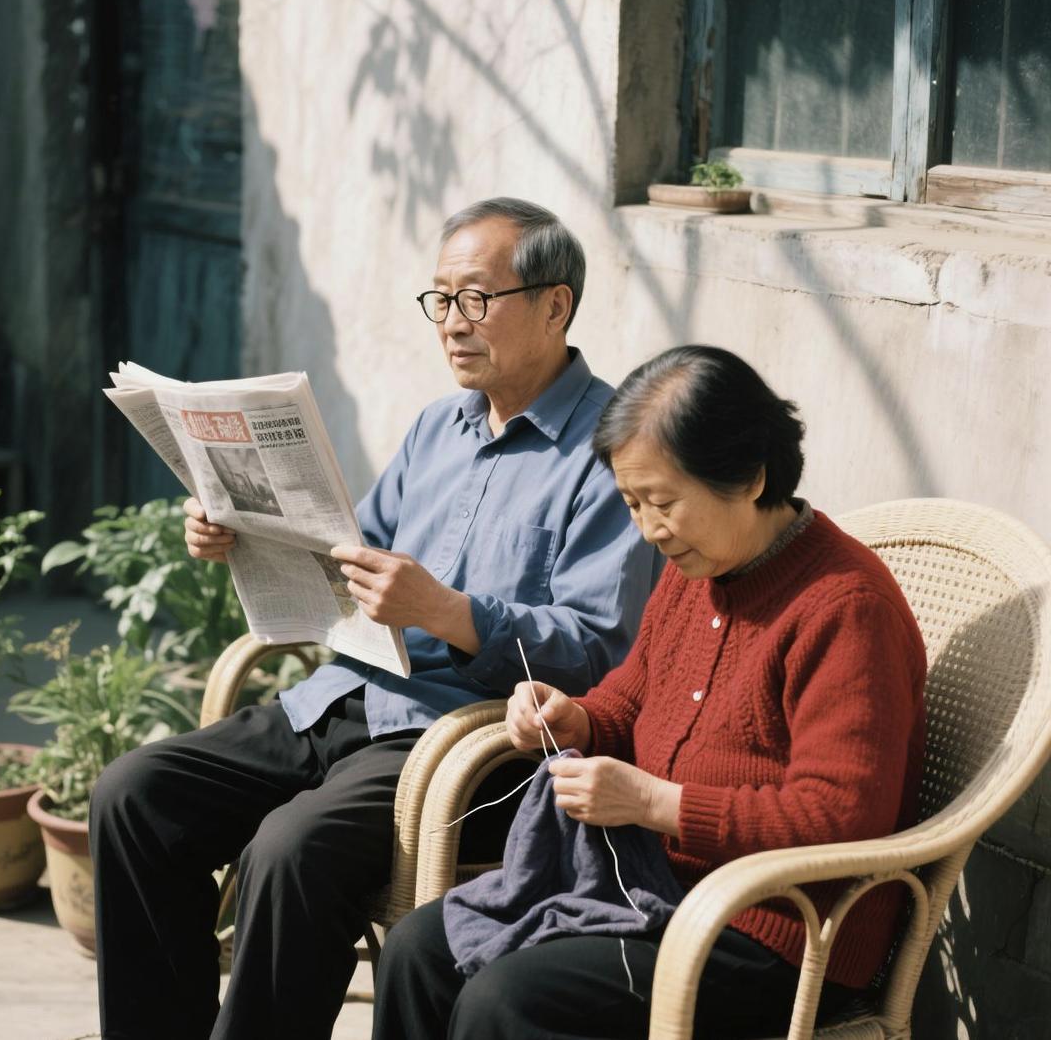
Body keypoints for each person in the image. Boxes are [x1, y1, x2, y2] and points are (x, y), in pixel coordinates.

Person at [90, 198, 663, 1039]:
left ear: (555, 304)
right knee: (134, 795)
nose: (452, 324)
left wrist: (451, 612)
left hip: (463, 745)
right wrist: (237, 528)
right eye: (440, 299)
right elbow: (345, 551)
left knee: (288, 850)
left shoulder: (609, 453)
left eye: (475, 298)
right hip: (342, 699)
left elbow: (600, 654)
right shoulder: (441, 426)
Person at [372, 345, 928, 1040]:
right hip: (645, 887)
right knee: (421, 947)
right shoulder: (697, 566)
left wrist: (655, 803)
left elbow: (840, 813)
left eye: (662, 502)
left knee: (506, 999)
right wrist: (574, 717)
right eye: (632, 503)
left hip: (776, 932)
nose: (647, 529)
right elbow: (630, 698)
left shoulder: (845, 607)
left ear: (751, 477)